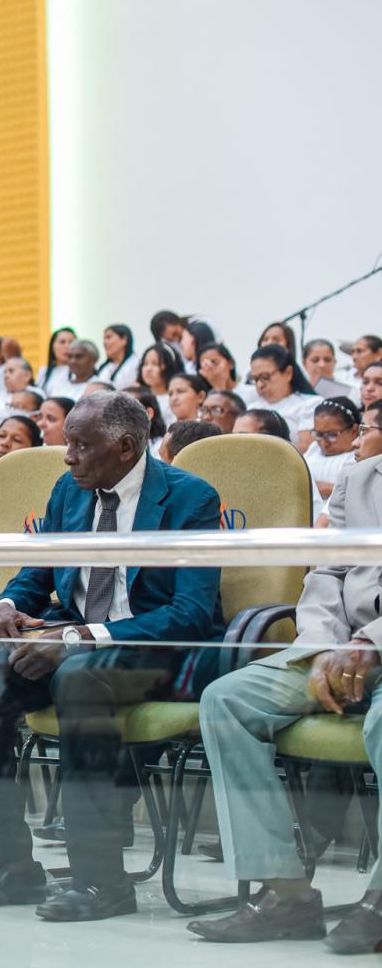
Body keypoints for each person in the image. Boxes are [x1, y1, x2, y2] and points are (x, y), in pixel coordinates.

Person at [0, 392, 223, 922]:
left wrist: (80, 639)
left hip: (150, 647)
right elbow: (37, 575)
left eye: (80, 446)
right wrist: (7, 605)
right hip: (75, 641)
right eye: (68, 444)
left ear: (126, 447)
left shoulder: (189, 497)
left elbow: (191, 612)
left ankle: (100, 881)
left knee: (81, 679)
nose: (67, 457)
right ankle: (5, 867)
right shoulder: (70, 490)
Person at [188, 395, 382, 949]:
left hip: (374, 646)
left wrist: (370, 641)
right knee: (226, 700)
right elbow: (326, 573)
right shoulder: (359, 478)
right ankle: (286, 895)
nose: (369, 428)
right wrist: (324, 648)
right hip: (339, 648)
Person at [245, 343, 321, 450]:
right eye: (255, 379)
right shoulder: (252, 408)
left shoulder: (310, 404)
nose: (260, 385)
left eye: (265, 377)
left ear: (288, 373)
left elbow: (307, 447)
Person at [304, 397, 361, 522]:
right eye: (318, 434)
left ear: (354, 431)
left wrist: (312, 487)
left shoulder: (358, 456)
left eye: (332, 435)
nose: (324, 443)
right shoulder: (313, 449)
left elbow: (355, 492)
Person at [136, 342, 185, 422]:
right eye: (145, 363)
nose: (148, 369)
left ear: (169, 367)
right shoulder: (137, 397)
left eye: (155, 364)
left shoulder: (174, 399)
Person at [96, 324, 138, 388]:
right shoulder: (103, 367)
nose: (104, 342)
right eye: (104, 339)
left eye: (108, 337)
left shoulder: (136, 364)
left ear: (124, 340)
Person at [41, 327, 79, 398]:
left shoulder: (81, 372)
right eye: (62, 342)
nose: (67, 346)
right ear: (52, 346)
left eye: (71, 342)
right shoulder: (44, 371)